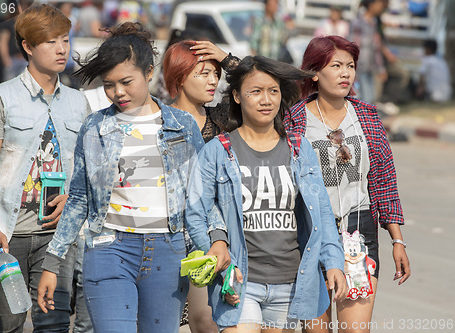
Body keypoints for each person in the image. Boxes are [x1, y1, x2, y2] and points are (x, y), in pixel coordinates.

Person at [37, 22, 206, 332]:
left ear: (149, 72)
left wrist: (209, 248)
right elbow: (78, 199)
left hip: (167, 253)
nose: (117, 92)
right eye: (108, 84)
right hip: (108, 248)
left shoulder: (182, 126)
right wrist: (52, 261)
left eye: (126, 81)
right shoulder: (94, 127)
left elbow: (199, 199)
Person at [185, 55, 347, 332]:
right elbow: (196, 213)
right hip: (240, 279)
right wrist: (219, 259)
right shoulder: (218, 151)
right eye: (256, 91)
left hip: (291, 281)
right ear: (236, 95)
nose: (266, 100)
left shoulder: (299, 149)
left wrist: (333, 262)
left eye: (273, 91)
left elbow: (321, 210)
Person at [0, 4, 90, 332]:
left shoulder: (79, 103)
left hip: (57, 234)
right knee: (8, 321)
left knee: (54, 322)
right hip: (10, 232)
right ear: (28, 46)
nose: (62, 48)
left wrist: (74, 200)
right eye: (51, 41)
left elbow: (85, 168)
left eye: (64, 39)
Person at [285, 35, 411, 333]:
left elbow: (383, 182)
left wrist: (397, 240)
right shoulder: (294, 119)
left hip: (359, 230)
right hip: (310, 231)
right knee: (316, 329)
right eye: (336, 65)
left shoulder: (365, 116)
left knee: (355, 330)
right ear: (314, 72)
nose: (346, 73)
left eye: (351, 66)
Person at [163, 39, 238, 332]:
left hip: (214, 234)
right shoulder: (159, 120)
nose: (213, 81)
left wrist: (226, 58)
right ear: (180, 77)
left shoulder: (223, 120)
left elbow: (265, 87)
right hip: (166, 236)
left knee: (206, 321)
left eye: (215, 73)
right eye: (203, 73)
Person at [350, 0, 388, 104]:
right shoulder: (358, 22)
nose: (381, 6)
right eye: (379, 4)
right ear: (371, 5)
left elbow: (376, 48)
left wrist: (381, 68)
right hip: (359, 65)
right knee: (364, 97)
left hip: (370, 66)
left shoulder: (374, 22)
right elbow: (354, 45)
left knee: (370, 97)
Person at [416, 39, 452, 103]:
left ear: (428, 49)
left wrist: (420, 88)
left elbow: (422, 75)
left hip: (433, 96)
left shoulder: (427, 60)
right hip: (446, 95)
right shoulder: (442, 61)